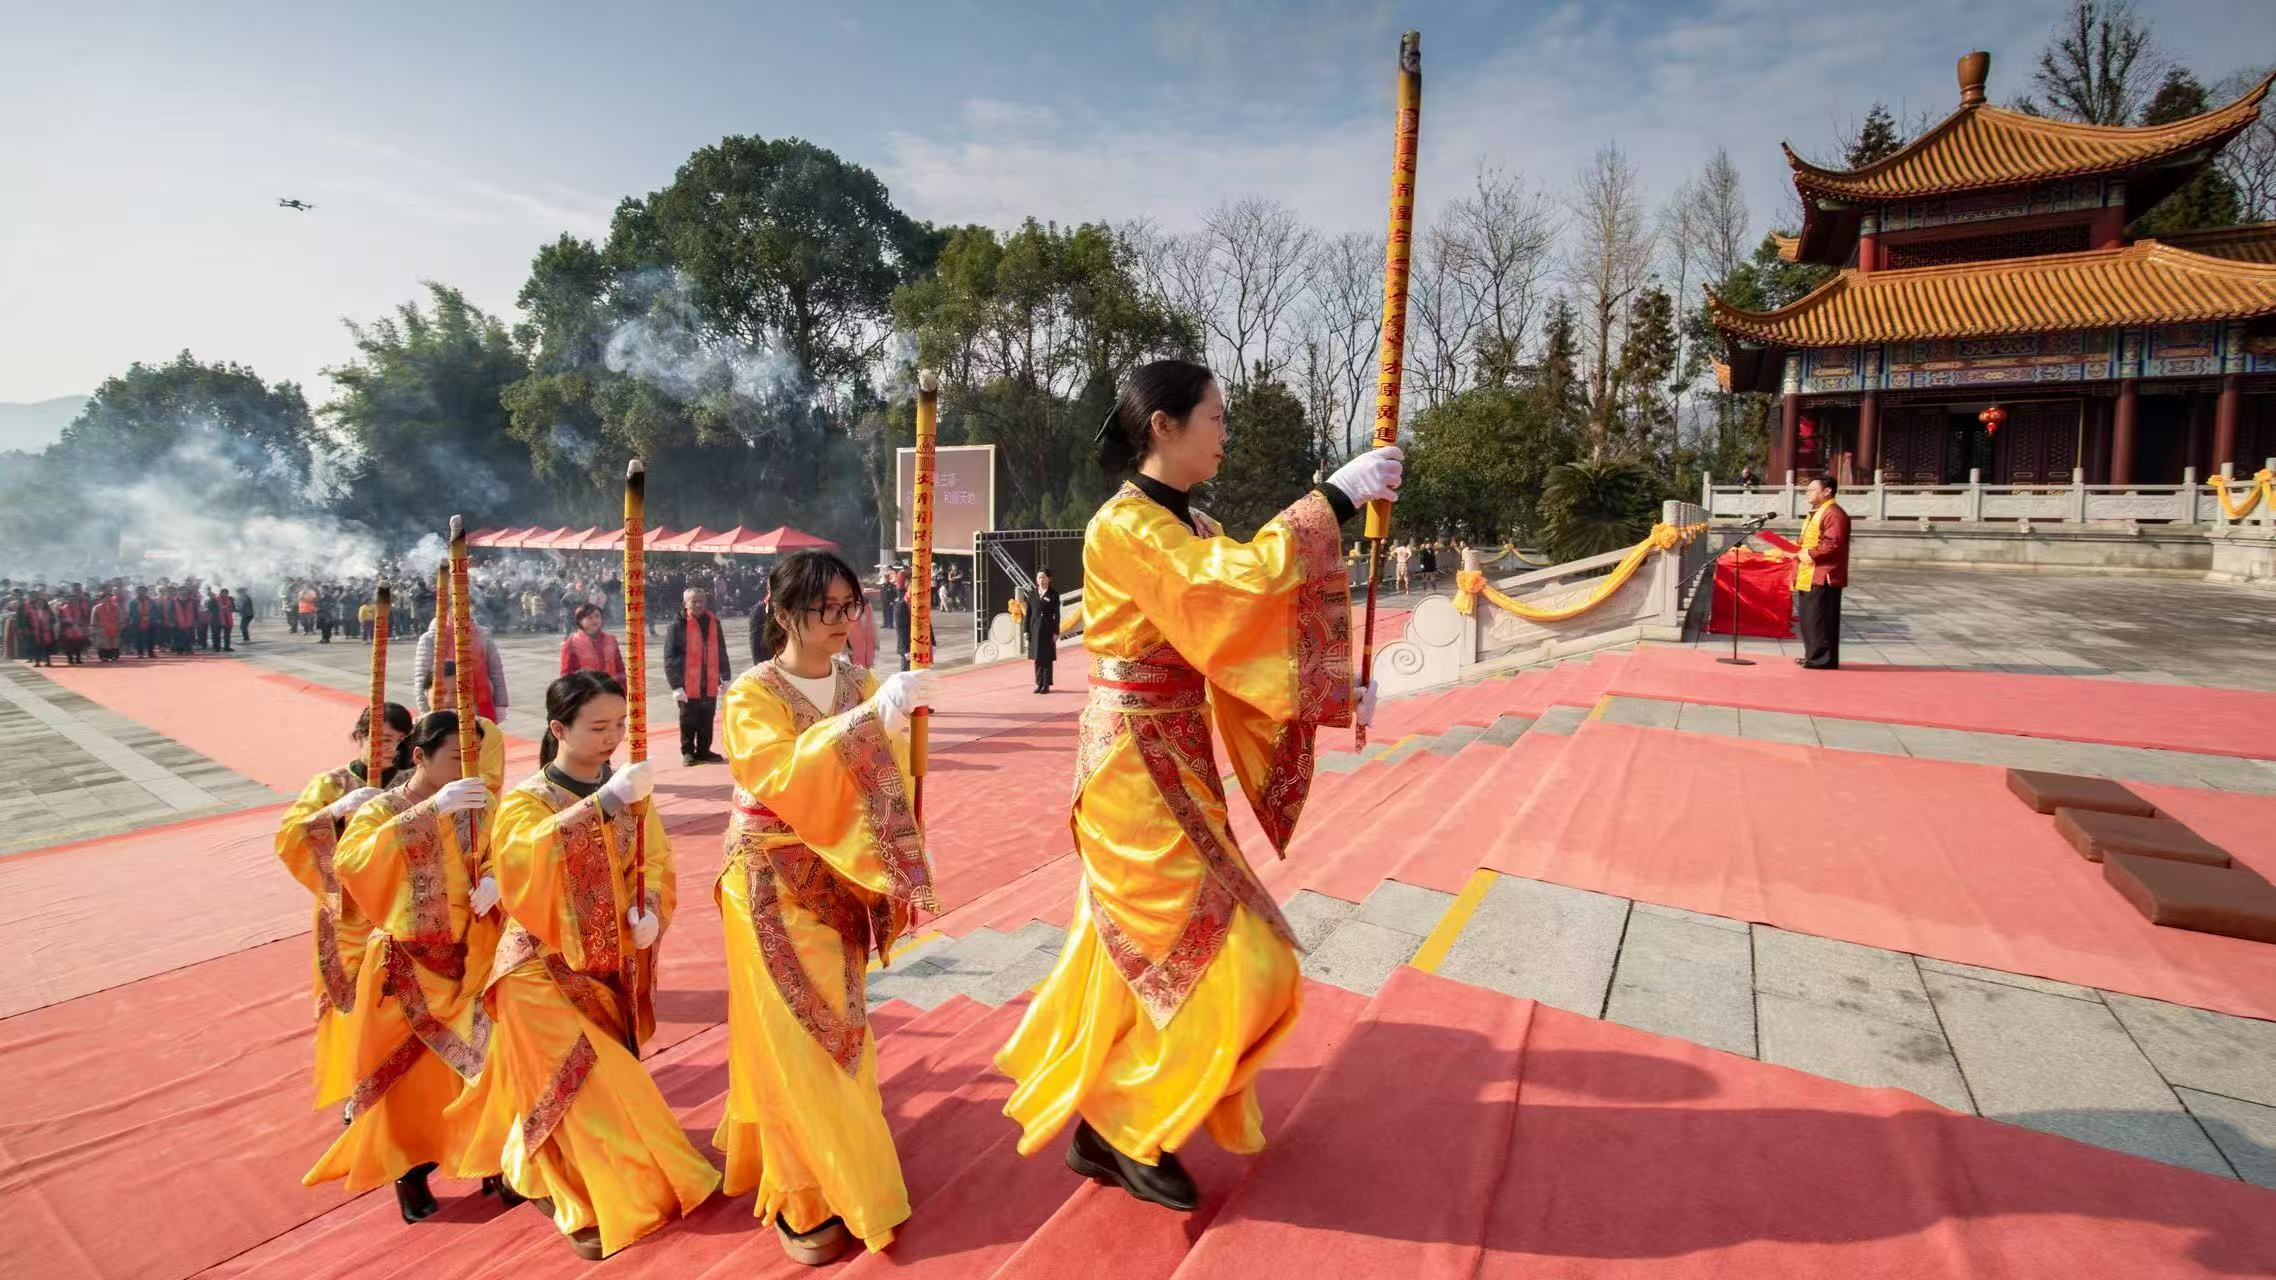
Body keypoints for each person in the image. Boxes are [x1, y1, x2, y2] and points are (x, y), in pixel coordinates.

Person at [996, 359, 1392, 1211]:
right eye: (1214, 418)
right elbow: (1239, 585)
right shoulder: (1123, 527)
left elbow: (1241, 633)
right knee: (1237, 956)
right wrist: (1332, 500)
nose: (1225, 433)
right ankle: (1126, 1124)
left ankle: (1110, 1129)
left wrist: (1330, 691)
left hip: (1178, 754)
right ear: (1162, 426)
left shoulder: (1199, 525)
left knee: (1153, 951)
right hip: (1130, 765)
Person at [712, 551, 937, 1264]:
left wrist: (897, 731)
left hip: (840, 878)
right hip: (771, 881)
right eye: (826, 609)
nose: (843, 622)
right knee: (796, 1039)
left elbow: (887, 785)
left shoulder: (863, 682)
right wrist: (875, 721)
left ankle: (842, 1169)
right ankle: (805, 1192)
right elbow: (779, 772)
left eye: (851, 606)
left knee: (845, 1033)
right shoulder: (753, 694)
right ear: (783, 614)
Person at [451, 672, 718, 1260]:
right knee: (593, 1085)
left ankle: (539, 1170)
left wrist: (649, 907)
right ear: (557, 729)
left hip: (606, 968)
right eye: (597, 727)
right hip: (537, 970)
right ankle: (588, 1195)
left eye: (619, 725)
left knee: (600, 1089)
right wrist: (603, 804)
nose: (611, 738)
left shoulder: (630, 791)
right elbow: (523, 863)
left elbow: (654, 864)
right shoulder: (528, 800)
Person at [304, 710, 501, 1224]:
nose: (467, 769)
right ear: (419, 756)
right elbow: (353, 864)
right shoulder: (383, 809)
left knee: (487, 1062)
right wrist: (430, 811)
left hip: (472, 957)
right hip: (407, 967)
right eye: (457, 758)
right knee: (411, 1086)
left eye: (474, 758)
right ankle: (410, 1173)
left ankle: (494, 1160)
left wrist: (499, 879)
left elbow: (508, 851)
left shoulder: (482, 804)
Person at [275, 703, 413, 1113]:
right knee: (351, 1001)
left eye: (399, 741)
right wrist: (334, 814)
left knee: (396, 1000)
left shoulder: (412, 783)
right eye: (382, 738)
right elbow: (291, 836)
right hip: (346, 913)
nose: (389, 749)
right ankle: (357, 1087)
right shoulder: (332, 783)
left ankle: (399, 1080)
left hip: (396, 907)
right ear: (360, 736)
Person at [664, 586, 731, 766]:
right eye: (694, 601)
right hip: (687, 682)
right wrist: (676, 685)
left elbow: (721, 650)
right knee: (688, 719)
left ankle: (704, 750)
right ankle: (688, 752)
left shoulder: (713, 623)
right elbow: (670, 657)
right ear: (685, 604)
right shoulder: (677, 626)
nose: (698, 604)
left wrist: (725, 677)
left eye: (701, 600)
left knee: (707, 717)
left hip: (708, 679)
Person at [1790, 475, 1850, 670]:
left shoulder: (1833, 513)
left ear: (1827, 491)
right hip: (1810, 571)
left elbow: (1832, 544)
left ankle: (1821, 659)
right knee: (1811, 618)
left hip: (1824, 574)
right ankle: (1814, 655)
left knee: (1820, 618)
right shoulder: (1818, 512)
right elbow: (1812, 540)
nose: (1808, 493)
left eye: (1812, 489)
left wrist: (1806, 553)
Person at [415, 609, 510, 724]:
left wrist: (500, 705)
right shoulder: (431, 638)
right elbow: (423, 677)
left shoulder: (482, 636)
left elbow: (496, 672)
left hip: (478, 701)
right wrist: (425, 710)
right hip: (443, 701)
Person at [559, 603, 628, 682]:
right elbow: (566, 674)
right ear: (579, 620)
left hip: (611, 689)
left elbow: (620, 669)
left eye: (597, 616)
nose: (595, 620)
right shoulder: (571, 643)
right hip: (586, 690)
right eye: (590, 617)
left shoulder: (611, 640)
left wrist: (622, 689)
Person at [1025, 569, 1061, 694]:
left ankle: (1046, 684)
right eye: (1039, 578)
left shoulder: (1053, 594)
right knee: (1037, 658)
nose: (1041, 580)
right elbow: (1028, 614)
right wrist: (1026, 630)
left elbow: (1057, 615)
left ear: (1049, 579)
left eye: (1044, 577)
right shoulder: (1032, 594)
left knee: (1046, 658)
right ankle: (1039, 683)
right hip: (1034, 630)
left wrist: (1056, 632)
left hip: (1047, 630)